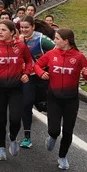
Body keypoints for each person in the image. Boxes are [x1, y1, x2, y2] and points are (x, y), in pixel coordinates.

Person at [35, 28, 87, 170]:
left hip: (71, 99)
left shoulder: (79, 57)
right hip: (54, 98)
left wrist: (86, 74)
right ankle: (52, 137)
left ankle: (62, 157)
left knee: (68, 131)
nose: (54, 41)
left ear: (66, 41)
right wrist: (41, 73)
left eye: (57, 38)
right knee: (54, 130)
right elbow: (37, 65)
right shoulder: (51, 54)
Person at [0, 20, 34, 161]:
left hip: (16, 88)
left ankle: (13, 138)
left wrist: (26, 73)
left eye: (4, 30)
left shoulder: (21, 47)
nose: (0, 32)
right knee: (1, 120)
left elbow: (29, 61)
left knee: (15, 119)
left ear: (12, 32)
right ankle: (1, 147)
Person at [17, 16, 55, 147]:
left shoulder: (41, 39)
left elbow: (57, 52)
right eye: (21, 27)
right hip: (28, 76)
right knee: (26, 104)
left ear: (33, 27)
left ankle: (52, 133)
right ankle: (27, 137)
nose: (24, 30)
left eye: (26, 27)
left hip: (43, 76)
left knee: (46, 106)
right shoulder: (18, 40)